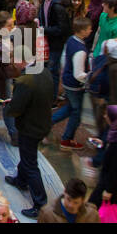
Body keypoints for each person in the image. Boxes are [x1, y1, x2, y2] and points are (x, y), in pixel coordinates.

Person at [3, 59, 53, 219]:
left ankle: (40, 204)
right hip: (42, 122)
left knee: (30, 163)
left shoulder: (25, 81)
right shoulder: (44, 71)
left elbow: (16, 108)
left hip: (30, 127)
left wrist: (8, 106)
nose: (13, 64)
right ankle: (21, 180)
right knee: (27, 156)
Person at [51, 15, 93, 149]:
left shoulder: (71, 40)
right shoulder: (81, 50)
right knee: (77, 112)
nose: (91, 31)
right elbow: (78, 74)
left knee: (70, 108)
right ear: (82, 31)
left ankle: (48, 122)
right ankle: (67, 139)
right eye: (88, 29)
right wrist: (90, 77)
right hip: (74, 86)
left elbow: (64, 60)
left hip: (67, 82)